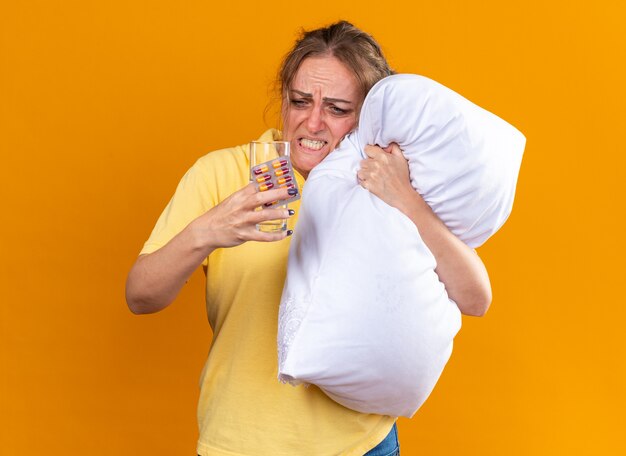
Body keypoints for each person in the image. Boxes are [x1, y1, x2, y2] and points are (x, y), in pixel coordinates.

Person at [125, 20, 491, 456]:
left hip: (361, 445)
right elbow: (140, 295)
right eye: (300, 101)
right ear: (283, 99)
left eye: (337, 109)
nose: (313, 122)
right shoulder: (222, 175)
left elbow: (475, 298)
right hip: (242, 442)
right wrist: (209, 230)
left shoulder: (383, 179)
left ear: (368, 116)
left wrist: (405, 198)